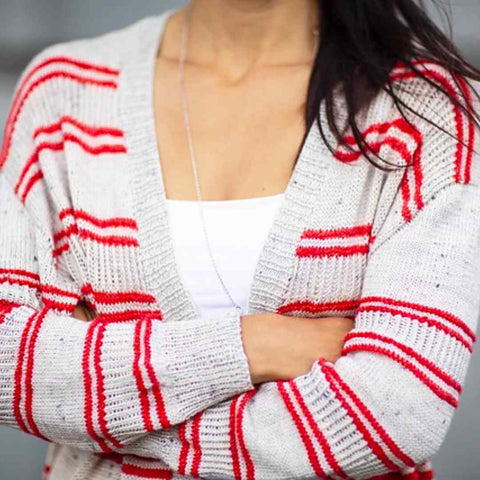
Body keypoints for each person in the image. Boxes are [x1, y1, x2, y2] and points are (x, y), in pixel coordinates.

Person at [1, 1, 480, 479]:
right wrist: (255, 346)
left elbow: (393, 417)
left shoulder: (429, 107)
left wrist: (100, 403)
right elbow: (8, 362)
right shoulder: (64, 93)